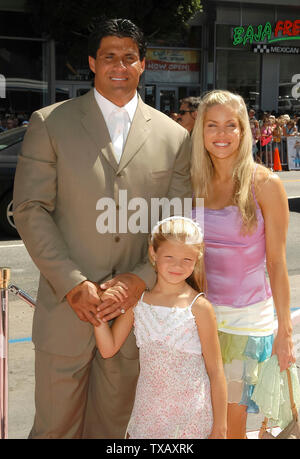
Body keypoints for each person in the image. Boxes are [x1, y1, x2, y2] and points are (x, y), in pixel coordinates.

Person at [13, 18, 191, 439]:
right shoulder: (50, 122)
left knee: (114, 431)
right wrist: (72, 282)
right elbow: (30, 208)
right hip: (66, 311)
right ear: (92, 62)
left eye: (130, 57)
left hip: (134, 317)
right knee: (54, 428)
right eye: (109, 56)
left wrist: (140, 278)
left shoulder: (173, 136)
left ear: (143, 64)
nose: (119, 65)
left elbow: (178, 223)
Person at [191, 89, 295, 439]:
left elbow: (278, 265)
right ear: (200, 131)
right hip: (197, 321)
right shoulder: (191, 182)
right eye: (212, 125)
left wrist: (285, 332)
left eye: (230, 125)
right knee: (203, 423)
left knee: (230, 428)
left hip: (245, 325)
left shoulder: (265, 184)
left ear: (243, 131)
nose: (221, 135)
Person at [94, 216, 227, 439]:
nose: (177, 265)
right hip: (149, 414)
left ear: (197, 258)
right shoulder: (138, 301)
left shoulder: (200, 307)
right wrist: (97, 312)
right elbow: (108, 349)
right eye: (169, 257)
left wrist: (220, 428)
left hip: (191, 416)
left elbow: (216, 370)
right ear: (153, 254)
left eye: (187, 259)